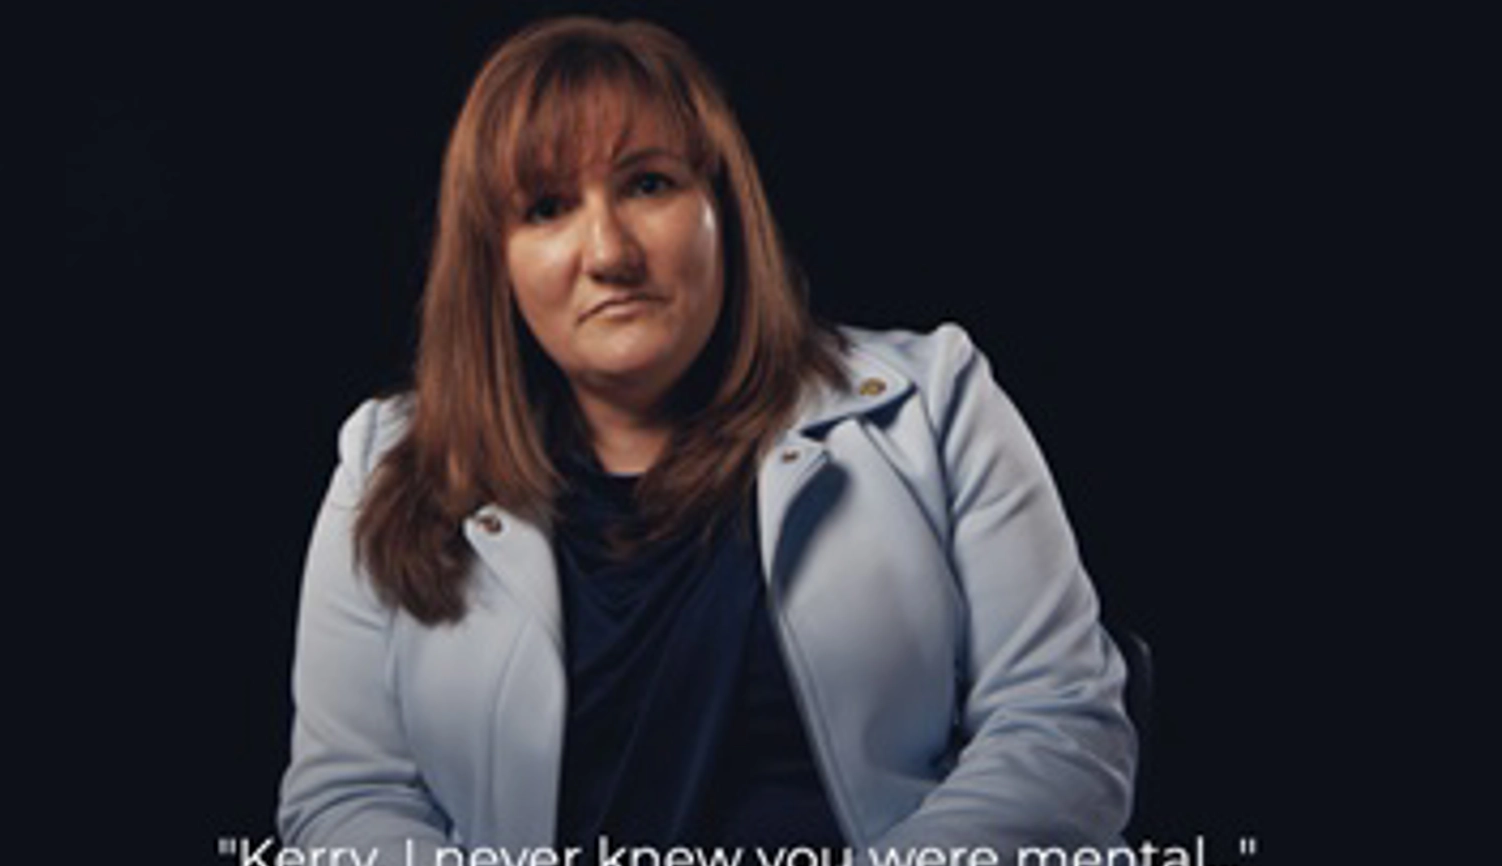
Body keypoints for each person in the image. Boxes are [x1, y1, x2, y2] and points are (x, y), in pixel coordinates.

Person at [278, 15, 1136, 865]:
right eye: (547, 208)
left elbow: (1060, 728)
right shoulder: (386, 466)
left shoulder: (935, 403)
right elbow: (348, 799)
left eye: (649, 185)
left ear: (724, 208)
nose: (609, 252)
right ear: (492, 262)